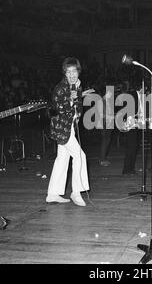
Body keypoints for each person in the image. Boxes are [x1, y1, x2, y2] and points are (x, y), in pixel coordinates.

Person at [46, 57, 94, 206]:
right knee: (80, 156)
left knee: (62, 159)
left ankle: (53, 194)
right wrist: (73, 98)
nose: (72, 74)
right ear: (64, 73)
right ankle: (76, 192)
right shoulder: (61, 88)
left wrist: (79, 95)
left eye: (74, 71)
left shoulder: (75, 86)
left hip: (69, 128)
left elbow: (76, 108)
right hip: (62, 129)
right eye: (68, 72)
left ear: (78, 72)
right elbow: (59, 108)